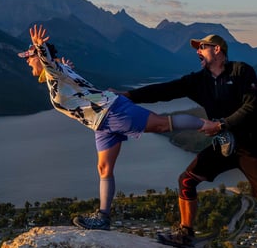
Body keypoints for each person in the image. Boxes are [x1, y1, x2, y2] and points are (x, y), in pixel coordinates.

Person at [121, 34, 257, 248]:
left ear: (217, 50)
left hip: (253, 147)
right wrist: (127, 96)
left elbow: (251, 107)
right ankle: (185, 234)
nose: (198, 52)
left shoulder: (242, 71)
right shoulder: (199, 81)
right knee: (186, 181)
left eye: (202, 47)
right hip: (225, 145)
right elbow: (165, 91)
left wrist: (220, 125)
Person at [19, 24, 213, 231]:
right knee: (103, 168)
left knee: (162, 124)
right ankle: (103, 217)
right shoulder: (57, 74)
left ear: (40, 57)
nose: (27, 62)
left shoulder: (53, 70)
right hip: (100, 124)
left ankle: (212, 126)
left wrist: (41, 48)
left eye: (29, 58)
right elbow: (62, 74)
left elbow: (49, 63)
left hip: (112, 110)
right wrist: (64, 65)